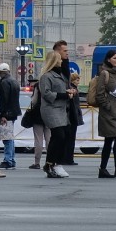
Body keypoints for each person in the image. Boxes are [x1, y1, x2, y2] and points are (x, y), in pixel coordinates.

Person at [38, 49, 80, 178]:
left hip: (61, 109)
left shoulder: (60, 74)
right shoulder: (46, 76)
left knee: (63, 136)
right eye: (59, 59)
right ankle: (52, 163)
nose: (61, 61)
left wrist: (70, 91)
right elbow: (46, 93)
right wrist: (64, 95)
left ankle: (52, 163)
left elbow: (62, 89)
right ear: (54, 61)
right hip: (51, 109)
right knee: (59, 135)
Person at [93, 49, 116, 178]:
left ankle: (103, 169)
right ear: (108, 59)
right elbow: (99, 94)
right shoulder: (105, 74)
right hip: (108, 114)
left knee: (109, 142)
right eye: (114, 58)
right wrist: (108, 107)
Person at [0, 59, 22, 170]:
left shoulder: (4, 82)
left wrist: (3, 114)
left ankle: (8, 160)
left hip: (7, 114)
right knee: (10, 137)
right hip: (14, 112)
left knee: (7, 138)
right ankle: (11, 159)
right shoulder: (14, 81)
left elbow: (4, 99)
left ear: (0, 72)